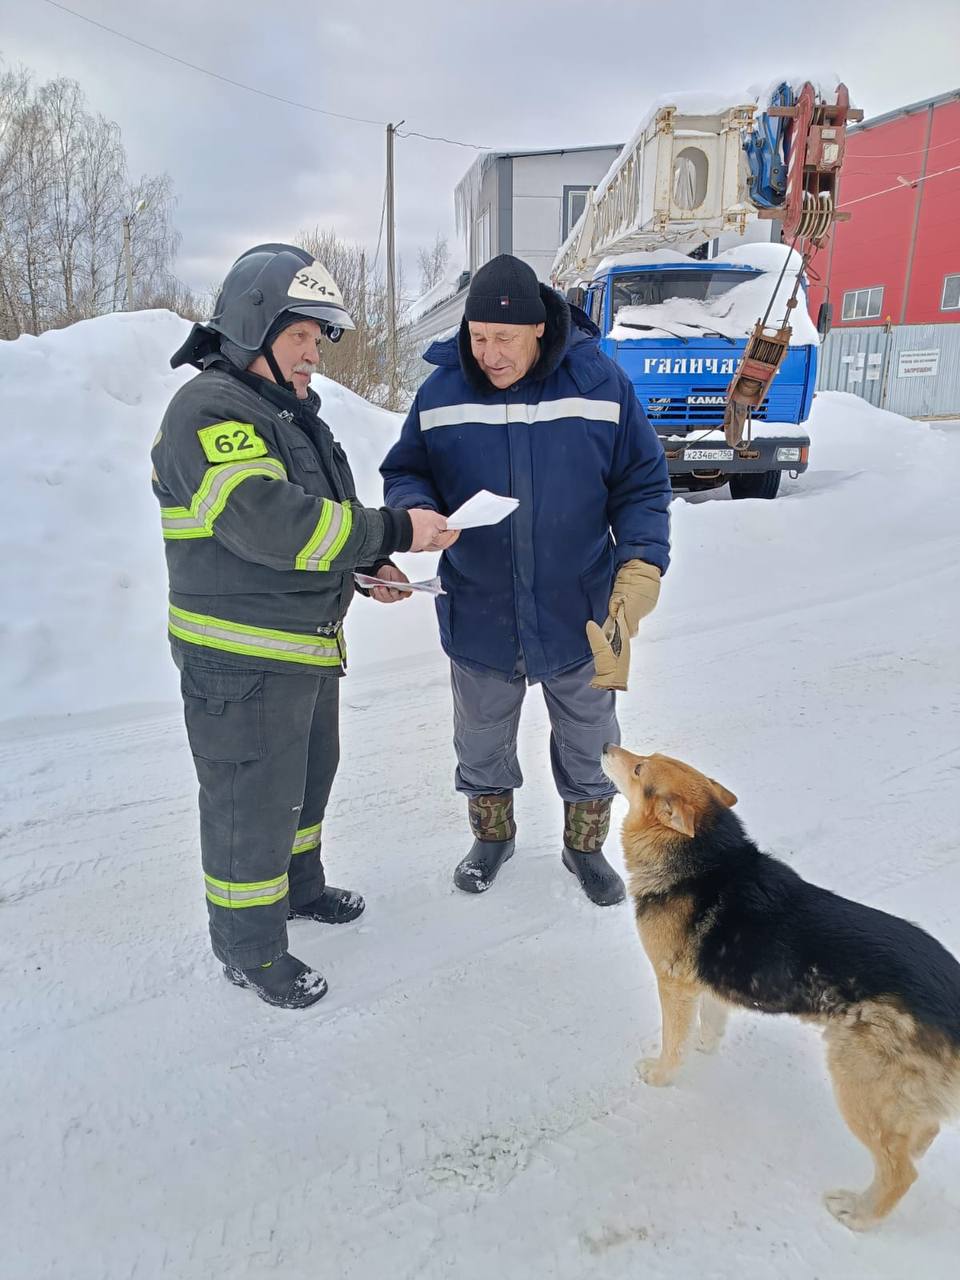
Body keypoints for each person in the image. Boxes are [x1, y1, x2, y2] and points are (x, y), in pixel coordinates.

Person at [153, 243, 453, 1008]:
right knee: (250, 804)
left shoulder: (283, 415)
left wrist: (363, 569)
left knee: (303, 786)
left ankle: (297, 888)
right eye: (301, 336)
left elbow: (317, 534)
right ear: (256, 327)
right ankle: (248, 947)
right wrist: (393, 532)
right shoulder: (209, 411)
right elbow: (266, 524)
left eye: (320, 340)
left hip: (300, 649)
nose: (314, 354)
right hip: (239, 662)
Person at [381, 254, 671, 906]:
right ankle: (492, 838)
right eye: (478, 336)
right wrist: (416, 508)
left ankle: (585, 849)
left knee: (593, 742)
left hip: (586, 607)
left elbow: (642, 483)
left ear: (540, 328)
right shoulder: (442, 391)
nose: (489, 353)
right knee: (480, 739)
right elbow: (407, 470)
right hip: (480, 608)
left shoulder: (599, 382)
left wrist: (643, 559)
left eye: (504, 338)